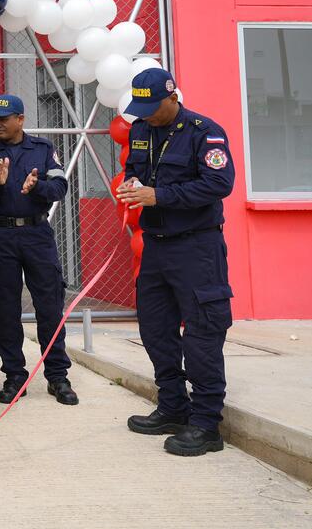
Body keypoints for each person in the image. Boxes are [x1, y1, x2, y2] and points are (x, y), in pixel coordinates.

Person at [117, 68, 235, 457]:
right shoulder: (140, 130)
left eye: (153, 107)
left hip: (197, 248)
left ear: (172, 97)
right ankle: (172, 406)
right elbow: (135, 172)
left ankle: (205, 424)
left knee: (202, 333)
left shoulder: (205, 132)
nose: (147, 115)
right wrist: (131, 187)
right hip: (156, 247)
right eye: (141, 109)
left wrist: (160, 196)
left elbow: (219, 185)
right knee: (155, 328)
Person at [0, 95, 79, 406]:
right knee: (5, 309)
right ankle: (14, 376)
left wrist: (36, 188)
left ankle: (57, 376)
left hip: (37, 234)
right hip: (0, 235)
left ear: (20, 119)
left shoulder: (42, 149)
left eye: (4, 118)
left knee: (49, 306)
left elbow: (60, 187)